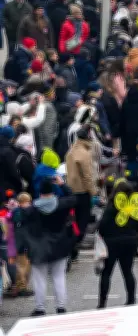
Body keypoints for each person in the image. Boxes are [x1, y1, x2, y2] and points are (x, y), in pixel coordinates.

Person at [20, 177, 76, 316]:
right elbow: (74, 198)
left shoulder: (32, 209)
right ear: (53, 191)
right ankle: (61, 306)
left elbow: (23, 224)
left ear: (39, 192)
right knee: (59, 276)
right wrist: (63, 185)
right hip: (59, 244)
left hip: (39, 247)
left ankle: (40, 308)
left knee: (39, 278)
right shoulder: (62, 204)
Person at [97, 178, 138, 309]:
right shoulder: (133, 208)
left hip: (111, 243)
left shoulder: (111, 208)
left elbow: (101, 227)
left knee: (106, 273)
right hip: (129, 242)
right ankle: (131, 300)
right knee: (128, 272)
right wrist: (135, 237)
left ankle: (102, 303)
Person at [65, 126, 97, 250]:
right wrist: (93, 191)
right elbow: (87, 176)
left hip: (71, 189)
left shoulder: (71, 150)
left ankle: (73, 240)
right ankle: (77, 241)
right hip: (82, 190)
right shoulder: (84, 153)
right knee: (83, 218)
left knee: (74, 218)